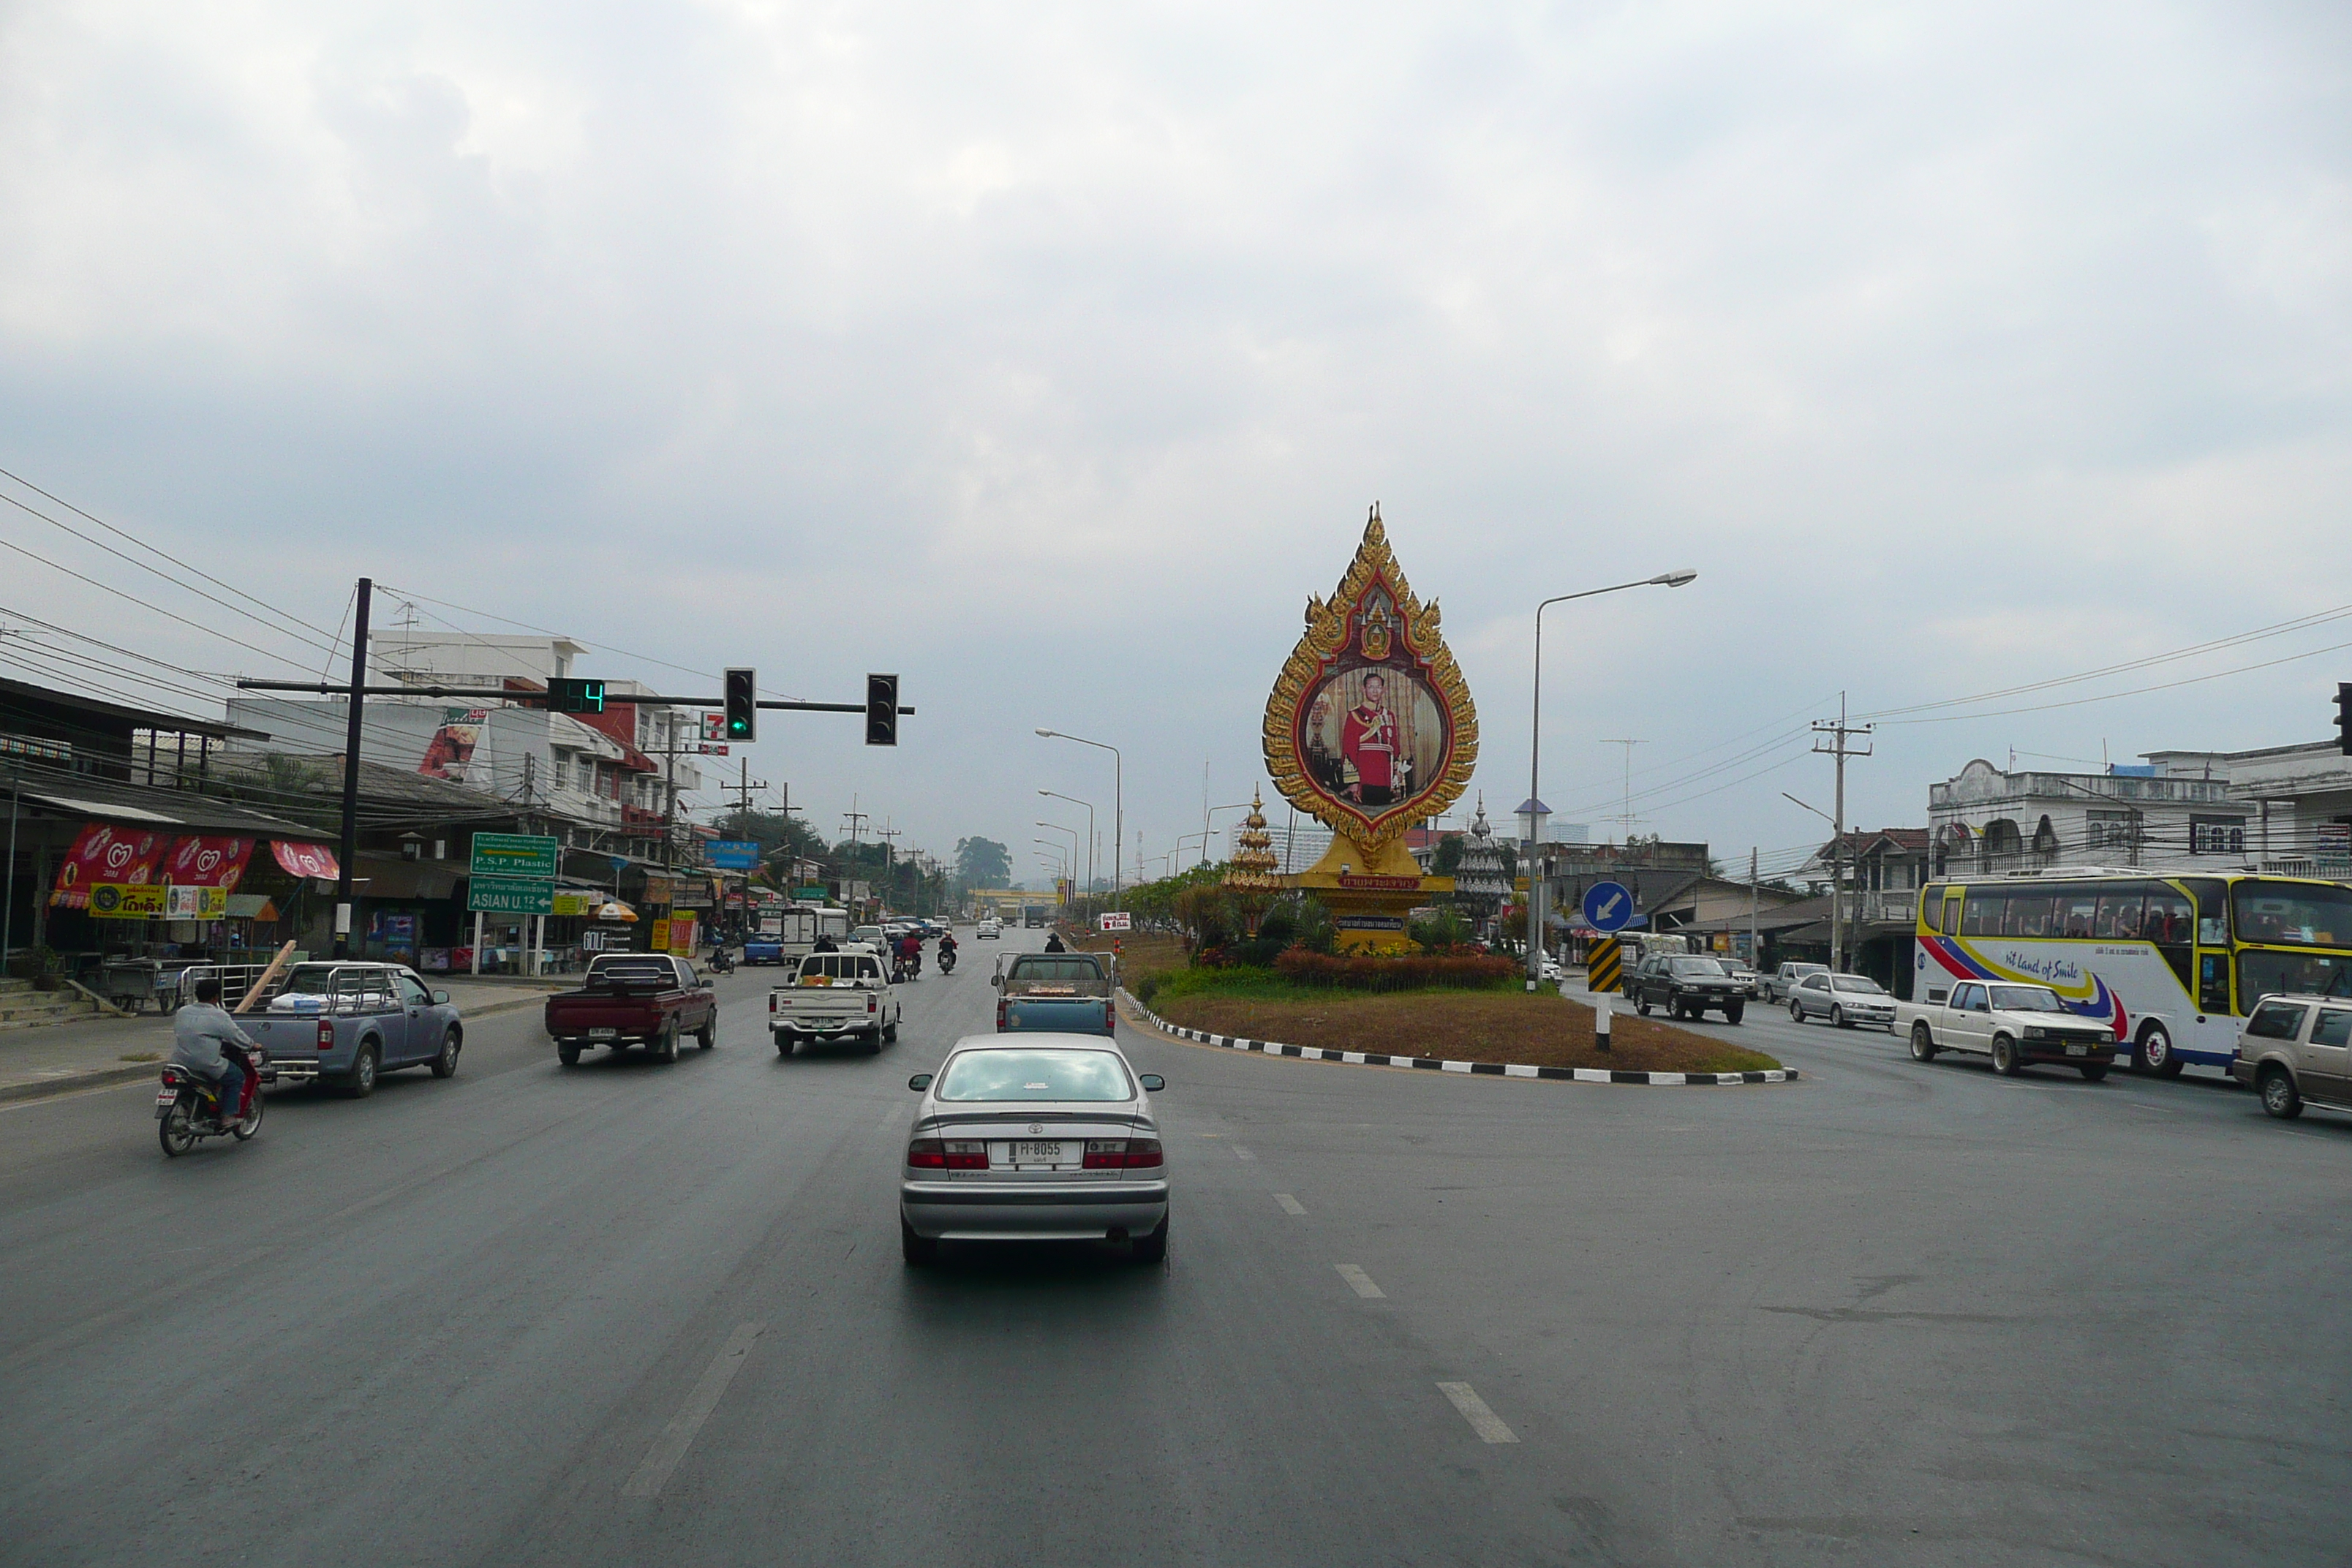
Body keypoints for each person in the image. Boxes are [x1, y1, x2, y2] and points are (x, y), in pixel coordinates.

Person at [170, 976, 255, 1127]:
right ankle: (228, 1116)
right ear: (216, 997)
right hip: (206, 1064)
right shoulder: (219, 1015)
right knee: (237, 1077)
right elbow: (236, 1036)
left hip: (180, 1062)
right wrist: (252, 1045)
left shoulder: (182, 1012)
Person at [1339, 671, 1401, 807]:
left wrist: (1397, 772)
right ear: (1364, 689)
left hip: (1385, 777)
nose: (1375, 690)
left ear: (1383, 690)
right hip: (1365, 775)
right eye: (1371, 687)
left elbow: (1394, 746)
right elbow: (1349, 749)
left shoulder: (1389, 715)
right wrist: (1353, 781)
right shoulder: (1355, 715)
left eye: (1378, 687)